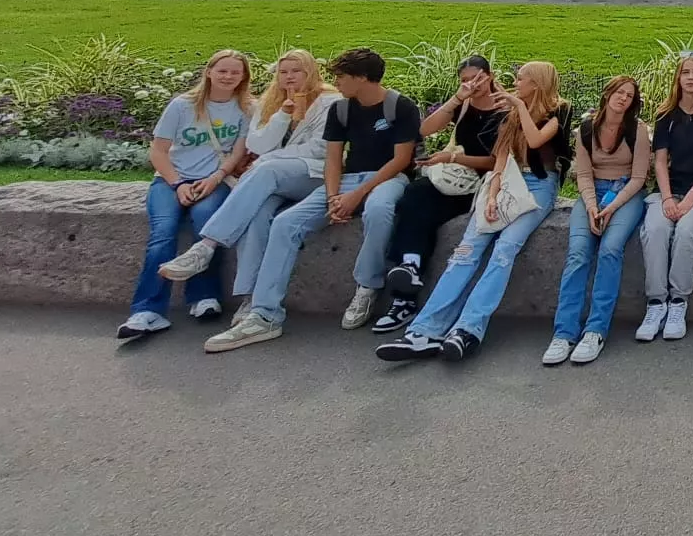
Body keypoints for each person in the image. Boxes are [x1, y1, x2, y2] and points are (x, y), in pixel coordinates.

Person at [202, 47, 420, 352]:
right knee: (285, 223)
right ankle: (265, 314)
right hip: (346, 179)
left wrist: (355, 195)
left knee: (379, 210)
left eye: (341, 76)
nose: (336, 82)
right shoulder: (341, 110)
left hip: (388, 178)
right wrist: (334, 197)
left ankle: (367, 286)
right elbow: (333, 160)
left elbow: (401, 160)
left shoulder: (400, 106)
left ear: (361, 77)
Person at [380, 62, 572, 363]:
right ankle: (424, 330)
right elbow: (501, 160)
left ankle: (469, 328)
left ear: (537, 83)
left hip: (538, 187)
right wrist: (492, 194)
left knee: (504, 250)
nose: (514, 83)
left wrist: (518, 106)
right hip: (506, 181)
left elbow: (536, 140)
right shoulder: (509, 112)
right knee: (466, 252)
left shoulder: (559, 109)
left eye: (521, 79)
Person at [157, 48, 337, 317]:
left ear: (311, 72)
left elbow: (319, 149)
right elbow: (257, 144)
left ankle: (207, 245)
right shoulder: (269, 101)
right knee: (256, 216)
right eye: (284, 72)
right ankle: (250, 298)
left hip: (312, 175)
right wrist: (283, 115)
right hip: (272, 177)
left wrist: (266, 160)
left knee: (265, 171)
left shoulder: (330, 101)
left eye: (296, 71)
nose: (289, 77)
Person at [118, 49, 253, 339]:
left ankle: (203, 296)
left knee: (207, 224)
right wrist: (177, 184)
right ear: (209, 72)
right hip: (171, 180)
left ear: (244, 77)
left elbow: (239, 151)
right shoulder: (182, 105)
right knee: (163, 233)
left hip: (215, 179)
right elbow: (158, 150)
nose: (228, 77)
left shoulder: (245, 108)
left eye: (235, 72)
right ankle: (148, 310)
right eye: (222, 71)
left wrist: (215, 178)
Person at [376, 56, 510, 337]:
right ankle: (409, 270)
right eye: (465, 80)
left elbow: (497, 161)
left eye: (476, 78)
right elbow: (423, 130)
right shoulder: (463, 104)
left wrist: (452, 157)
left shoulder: (504, 108)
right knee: (413, 198)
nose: (471, 84)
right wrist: (455, 99)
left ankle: (406, 293)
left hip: (479, 182)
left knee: (427, 211)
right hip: (452, 177)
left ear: (489, 75)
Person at [544, 75, 653, 365]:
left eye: (629, 96)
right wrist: (593, 207)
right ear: (608, 94)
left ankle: (595, 330)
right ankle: (564, 332)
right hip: (593, 193)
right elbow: (583, 174)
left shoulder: (638, 130)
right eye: (619, 92)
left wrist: (611, 208)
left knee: (610, 249)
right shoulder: (586, 129)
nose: (623, 99)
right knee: (578, 253)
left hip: (626, 194)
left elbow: (640, 178)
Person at [638, 53, 693, 342]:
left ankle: (678, 303)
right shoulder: (666, 115)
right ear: (678, 78)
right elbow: (660, 162)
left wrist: (689, 202)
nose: (690, 77)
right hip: (668, 189)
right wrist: (666, 199)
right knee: (655, 229)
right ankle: (656, 303)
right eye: (685, 72)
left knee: (687, 231)